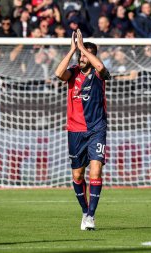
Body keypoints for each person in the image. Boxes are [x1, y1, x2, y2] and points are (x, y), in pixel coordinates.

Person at [55, 29, 110, 230]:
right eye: (80, 55)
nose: (81, 58)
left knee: (95, 172)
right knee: (78, 175)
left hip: (97, 129)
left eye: (85, 55)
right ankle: (85, 211)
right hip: (75, 130)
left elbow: (101, 66)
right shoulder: (73, 72)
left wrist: (83, 48)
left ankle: (91, 217)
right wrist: (72, 50)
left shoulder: (98, 74)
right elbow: (58, 73)